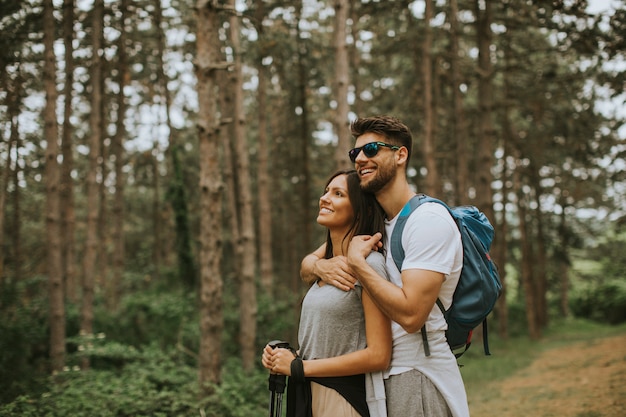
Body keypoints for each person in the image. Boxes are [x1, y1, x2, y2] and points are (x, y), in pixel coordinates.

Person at [301, 116, 470, 417]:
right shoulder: (382, 220)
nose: (361, 159)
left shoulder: (427, 221)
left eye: (372, 149)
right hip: (384, 382)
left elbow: (411, 316)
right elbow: (308, 264)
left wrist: (356, 264)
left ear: (400, 155)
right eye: (356, 153)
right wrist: (320, 268)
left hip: (418, 373)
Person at [262, 169, 392, 417]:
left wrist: (299, 367)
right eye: (325, 192)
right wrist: (285, 358)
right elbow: (327, 345)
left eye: (338, 193)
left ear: (360, 210)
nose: (325, 198)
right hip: (309, 397)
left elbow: (379, 355)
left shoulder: (368, 265)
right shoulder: (326, 267)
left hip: (341, 400)